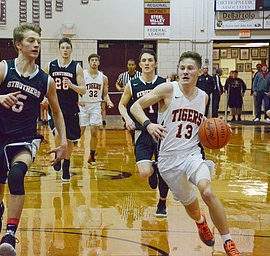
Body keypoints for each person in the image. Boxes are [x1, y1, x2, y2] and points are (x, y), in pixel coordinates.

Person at [130, 51, 241, 256]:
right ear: (178, 70)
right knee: (192, 207)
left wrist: (222, 129)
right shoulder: (167, 89)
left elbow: (205, 127)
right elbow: (136, 106)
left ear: (199, 71)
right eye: (182, 68)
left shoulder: (204, 97)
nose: (185, 72)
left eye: (190, 68)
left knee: (207, 192)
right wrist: (148, 124)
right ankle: (201, 222)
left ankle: (228, 242)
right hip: (168, 162)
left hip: (192, 155)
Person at [0, 23, 67, 255]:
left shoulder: (45, 80)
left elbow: (56, 111)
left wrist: (63, 143)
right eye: (30, 40)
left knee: (17, 174)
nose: (36, 44)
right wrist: (0, 98)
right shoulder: (2, 69)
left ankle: (10, 235)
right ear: (18, 44)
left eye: (38, 40)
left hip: (25, 138)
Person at [118, 48, 169, 217]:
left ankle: (162, 203)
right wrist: (128, 119)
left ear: (155, 63)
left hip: (161, 131)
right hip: (141, 131)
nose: (147, 63)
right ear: (140, 65)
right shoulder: (132, 84)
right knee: (145, 172)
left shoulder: (164, 83)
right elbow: (121, 105)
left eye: (150, 60)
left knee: (165, 171)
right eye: (144, 61)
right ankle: (153, 168)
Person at [43, 37, 86, 181]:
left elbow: (83, 89)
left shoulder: (76, 67)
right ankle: (57, 154)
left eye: (68, 48)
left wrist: (72, 85)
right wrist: (44, 97)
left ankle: (66, 165)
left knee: (70, 139)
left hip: (71, 107)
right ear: (59, 49)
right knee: (58, 132)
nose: (65, 50)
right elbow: (43, 84)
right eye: (63, 48)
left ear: (71, 50)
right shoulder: (50, 66)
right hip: (56, 106)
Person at [79, 53, 114, 164]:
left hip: (95, 106)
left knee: (94, 131)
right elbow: (76, 89)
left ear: (98, 63)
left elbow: (105, 94)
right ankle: (68, 150)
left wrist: (108, 101)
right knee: (80, 132)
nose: (94, 62)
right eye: (92, 60)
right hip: (83, 106)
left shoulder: (103, 78)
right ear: (89, 62)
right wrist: (78, 98)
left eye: (96, 60)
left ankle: (92, 155)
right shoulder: (82, 75)